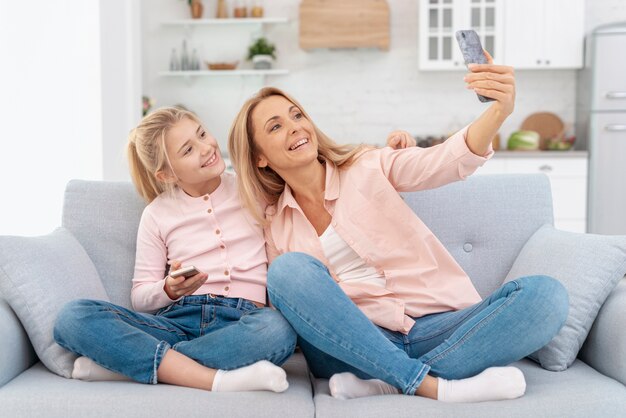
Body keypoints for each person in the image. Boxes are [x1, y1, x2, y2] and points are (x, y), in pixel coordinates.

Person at [227, 54, 569, 402]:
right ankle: (432, 384)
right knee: (288, 272)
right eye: (275, 126)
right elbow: (289, 307)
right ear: (259, 158)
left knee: (546, 296)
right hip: (350, 343)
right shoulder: (274, 224)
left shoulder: (368, 164)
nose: (295, 127)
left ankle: (389, 381)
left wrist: (499, 111)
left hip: (433, 326)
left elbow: (446, 160)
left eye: (297, 115)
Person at [53, 107, 299, 393]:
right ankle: (210, 378)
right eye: (188, 150)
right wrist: (169, 289)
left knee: (278, 330)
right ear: (166, 174)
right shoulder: (157, 214)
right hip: (176, 323)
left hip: (244, 322)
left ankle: (137, 365)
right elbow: (140, 298)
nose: (207, 148)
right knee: (73, 316)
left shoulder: (252, 188)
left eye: (203, 134)